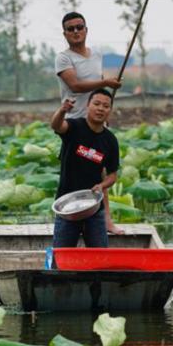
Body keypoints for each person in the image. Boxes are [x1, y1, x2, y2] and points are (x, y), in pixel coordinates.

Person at [55, 12, 123, 234]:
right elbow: (75, 85)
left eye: (79, 27)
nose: (76, 32)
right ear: (65, 34)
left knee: (101, 174)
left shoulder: (96, 56)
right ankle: (70, 217)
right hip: (75, 123)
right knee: (74, 172)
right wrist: (105, 80)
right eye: (70, 29)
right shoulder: (64, 58)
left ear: (86, 29)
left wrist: (106, 107)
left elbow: (100, 91)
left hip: (97, 122)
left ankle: (106, 221)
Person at [51, 88, 120, 248]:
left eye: (105, 106)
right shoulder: (74, 127)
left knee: (100, 257)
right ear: (88, 106)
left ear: (110, 110)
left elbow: (112, 175)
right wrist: (62, 110)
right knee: (61, 256)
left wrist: (102, 186)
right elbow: (56, 125)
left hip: (94, 206)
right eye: (96, 104)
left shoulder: (110, 140)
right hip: (67, 205)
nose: (100, 109)